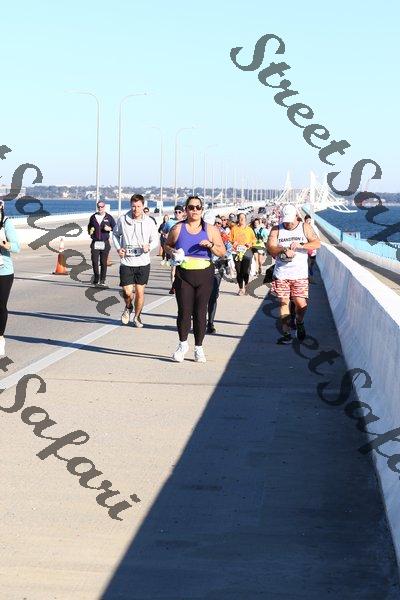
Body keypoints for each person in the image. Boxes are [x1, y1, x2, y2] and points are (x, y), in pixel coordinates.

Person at [165, 196, 225, 363]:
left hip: (204, 274)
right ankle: (182, 345)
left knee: (200, 312)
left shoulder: (210, 230)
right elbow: (167, 245)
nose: (195, 210)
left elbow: (222, 252)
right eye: (191, 207)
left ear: (202, 210)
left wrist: (211, 246)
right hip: (183, 275)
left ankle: (199, 347)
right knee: (184, 311)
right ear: (186, 210)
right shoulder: (178, 228)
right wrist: (173, 252)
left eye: (198, 207)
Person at [267, 204, 320, 344]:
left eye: (290, 221)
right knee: (283, 302)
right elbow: (270, 248)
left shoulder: (304, 227)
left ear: (296, 216)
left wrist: (301, 246)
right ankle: (286, 334)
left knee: (301, 303)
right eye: (285, 221)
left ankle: (299, 321)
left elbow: (317, 243)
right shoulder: (276, 229)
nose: (288, 223)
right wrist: (283, 249)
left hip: (299, 274)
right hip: (282, 273)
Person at [112, 194, 159, 328]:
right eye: (133, 206)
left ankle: (137, 317)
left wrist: (149, 246)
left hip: (143, 262)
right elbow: (115, 235)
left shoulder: (149, 222)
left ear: (143, 206)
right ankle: (128, 306)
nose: (136, 209)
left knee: (139, 292)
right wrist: (118, 248)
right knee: (127, 292)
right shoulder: (123, 220)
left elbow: (155, 239)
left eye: (138, 206)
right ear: (130, 206)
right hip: (127, 262)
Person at [0, 200, 20, 356]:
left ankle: (0, 338)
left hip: (4, 272)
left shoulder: (6, 223)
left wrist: (5, 245)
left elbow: (16, 247)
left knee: (0, 306)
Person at [206, 216, 230, 334]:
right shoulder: (201, 234)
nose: (217, 225)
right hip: (202, 268)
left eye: (219, 223)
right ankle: (199, 321)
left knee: (213, 296)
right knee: (200, 297)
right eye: (215, 223)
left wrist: (223, 259)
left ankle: (210, 323)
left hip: (217, 269)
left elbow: (228, 250)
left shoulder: (223, 235)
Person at [87, 201, 116, 287]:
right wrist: (90, 232)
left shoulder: (109, 217)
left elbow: (115, 228)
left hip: (104, 242)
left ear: (104, 207)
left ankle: (102, 280)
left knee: (103, 262)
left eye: (102, 206)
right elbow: (89, 227)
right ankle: (96, 278)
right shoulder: (93, 217)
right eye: (99, 207)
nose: (100, 208)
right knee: (94, 261)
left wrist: (109, 228)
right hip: (95, 242)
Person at [229, 213, 256, 295]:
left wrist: (250, 244)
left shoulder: (249, 229)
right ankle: (241, 288)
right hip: (236, 252)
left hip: (247, 251)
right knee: (238, 270)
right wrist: (233, 243)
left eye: (243, 218)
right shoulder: (234, 229)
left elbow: (254, 240)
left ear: (245, 219)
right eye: (240, 218)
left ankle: (246, 286)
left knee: (245, 271)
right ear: (238, 219)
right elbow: (229, 239)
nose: (242, 219)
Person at [164, 205, 185, 294]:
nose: (177, 214)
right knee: (173, 268)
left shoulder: (186, 222)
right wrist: (166, 236)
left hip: (183, 249)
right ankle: (173, 286)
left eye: (179, 212)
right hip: (173, 249)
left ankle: (182, 285)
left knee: (183, 268)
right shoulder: (170, 222)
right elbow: (164, 231)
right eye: (176, 212)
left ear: (183, 213)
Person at [304, 214, 318, 283]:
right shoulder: (302, 227)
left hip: (313, 250)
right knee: (307, 264)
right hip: (306, 250)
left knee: (312, 264)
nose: (308, 222)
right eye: (307, 220)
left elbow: (317, 237)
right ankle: (309, 278)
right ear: (305, 220)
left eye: (309, 220)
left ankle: (310, 274)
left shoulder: (314, 227)